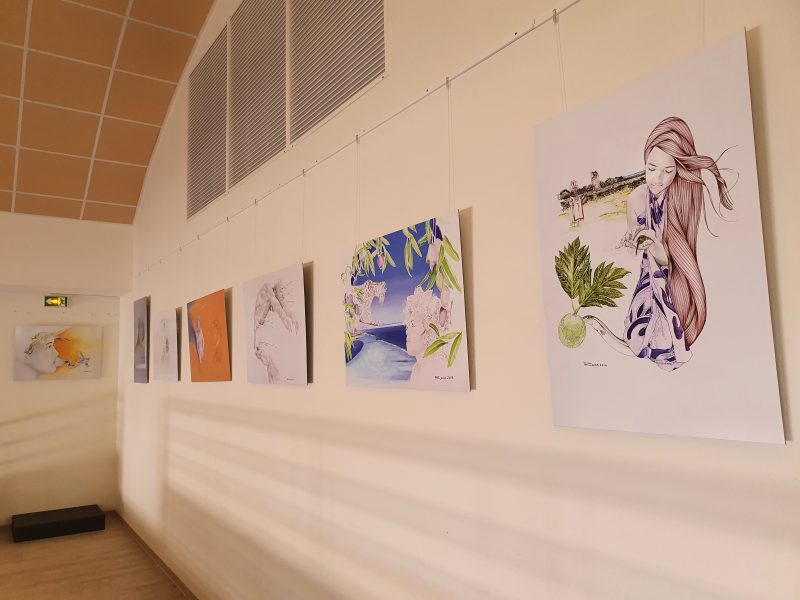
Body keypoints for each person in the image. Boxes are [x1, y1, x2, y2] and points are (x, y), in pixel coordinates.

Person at [586, 117, 733, 370]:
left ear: (678, 169)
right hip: (648, 272)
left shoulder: (680, 199)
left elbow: (670, 261)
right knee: (641, 319)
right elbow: (633, 249)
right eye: (651, 168)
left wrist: (652, 242)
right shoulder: (635, 198)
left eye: (668, 171)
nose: (658, 178)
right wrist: (632, 241)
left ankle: (662, 344)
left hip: (671, 275)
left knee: (664, 320)